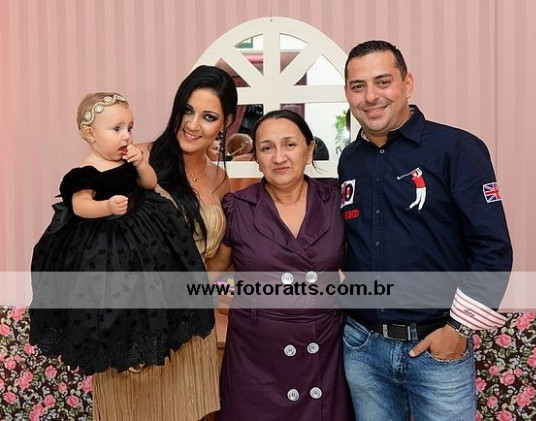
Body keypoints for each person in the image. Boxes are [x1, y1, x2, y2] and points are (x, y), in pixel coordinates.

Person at [338, 40, 513, 421]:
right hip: (363, 349)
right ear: (348, 93)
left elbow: (492, 248)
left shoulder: (457, 148)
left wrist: (458, 329)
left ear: (408, 83)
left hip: (437, 349)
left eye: (383, 82)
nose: (371, 96)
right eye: (358, 86)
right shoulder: (350, 160)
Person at [28, 92, 210, 402]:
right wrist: (106, 207)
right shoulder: (83, 173)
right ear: (90, 135)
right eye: (117, 129)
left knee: (153, 281)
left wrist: (142, 164)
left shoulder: (128, 160)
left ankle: (155, 329)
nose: (126, 136)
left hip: (144, 228)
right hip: (105, 241)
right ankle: (123, 346)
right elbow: (80, 205)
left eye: (130, 127)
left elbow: (149, 184)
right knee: (113, 292)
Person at [91, 66, 237, 420]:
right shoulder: (134, 160)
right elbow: (96, 242)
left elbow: (217, 260)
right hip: (133, 330)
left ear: (226, 122)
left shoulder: (220, 179)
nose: (193, 124)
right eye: (187, 110)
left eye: (209, 117)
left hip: (191, 334)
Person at [208, 109, 353, 421]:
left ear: (309, 150)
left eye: (289, 144)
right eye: (267, 148)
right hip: (255, 360)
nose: (279, 157)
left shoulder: (336, 203)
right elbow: (210, 274)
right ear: (257, 158)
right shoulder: (238, 207)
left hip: (323, 354)